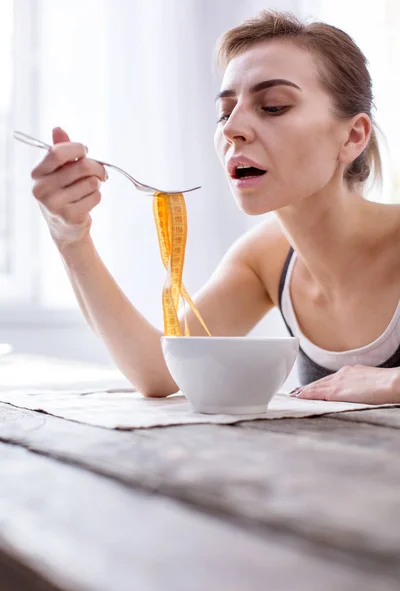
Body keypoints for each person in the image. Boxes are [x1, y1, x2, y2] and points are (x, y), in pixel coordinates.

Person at [30, 9, 400, 405]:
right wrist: (71, 237)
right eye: (224, 112)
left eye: (273, 106)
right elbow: (160, 371)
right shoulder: (266, 259)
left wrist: (392, 383)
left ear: (353, 136)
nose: (230, 129)